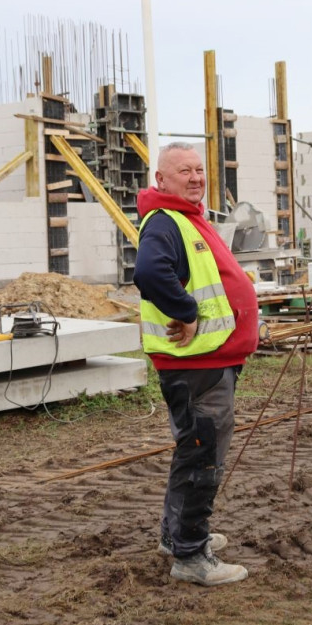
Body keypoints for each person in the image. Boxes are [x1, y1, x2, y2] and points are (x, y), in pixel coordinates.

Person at [133, 142, 259, 586]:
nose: (195, 177)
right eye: (183, 171)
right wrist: (186, 313)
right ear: (161, 181)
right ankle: (190, 555)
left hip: (210, 361)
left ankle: (176, 535)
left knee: (195, 450)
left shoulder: (186, 220)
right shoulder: (164, 223)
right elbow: (149, 273)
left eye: (199, 170)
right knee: (202, 456)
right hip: (196, 367)